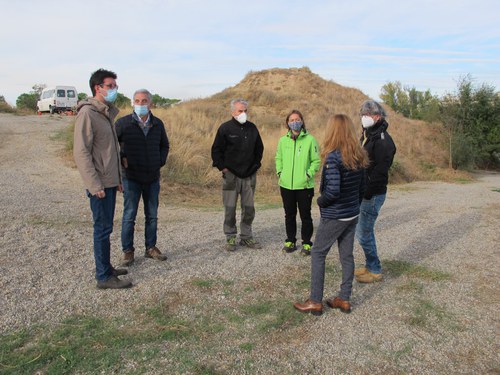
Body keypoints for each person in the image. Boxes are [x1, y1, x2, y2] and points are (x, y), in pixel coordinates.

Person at [294, 114, 368, 315]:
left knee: (318, 253)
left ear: (333, 131)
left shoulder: (334, 157)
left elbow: (333, 191)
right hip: (352, 214)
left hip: (336, 215)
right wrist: (354, 206)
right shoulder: (358, 155)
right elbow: (362, 188)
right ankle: (344, 299)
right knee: (347, 256)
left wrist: (320, 201)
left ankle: (315, 301)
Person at [73, 68, 132, 289]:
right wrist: (94, 184)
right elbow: (81, 152)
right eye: (110, 86)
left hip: (108, 182)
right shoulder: (88, 113)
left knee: (106, 227)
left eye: (115, 85)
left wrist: (116, 179)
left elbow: (109, 150)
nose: (114, 89)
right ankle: (103, 277)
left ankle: (107, 268)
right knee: (102, 229)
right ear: (97, 88)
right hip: (98, 185)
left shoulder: (105, 113)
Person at [115, 89, 170, 267]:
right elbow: (112, 146)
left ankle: (151, 248)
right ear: (133, 103)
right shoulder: (123, 123)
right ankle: (128, 252)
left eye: (144, 101)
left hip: (152, 177)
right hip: (131, 177)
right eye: (137, 101)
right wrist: (122, 156)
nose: (140, 104)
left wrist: (159, 161)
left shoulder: (158, 124)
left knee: (152, 215)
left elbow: (164, 145)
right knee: (129, 215)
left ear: (150, 103)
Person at [211, 99, 264, 251]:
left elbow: (259, 149)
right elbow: (216, 150)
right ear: (233, 112)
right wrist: (223, 168)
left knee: (249, 208)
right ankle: (231, 237)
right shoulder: (225, 128)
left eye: (245, 110)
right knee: (230, 208)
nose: (243, 114)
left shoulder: (252, 128)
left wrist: (255, 166)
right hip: (231, 175)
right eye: (240, 111)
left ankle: (246, 237)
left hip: (249, 175)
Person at [354, 100, 396, 283]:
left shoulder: (383, 141)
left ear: (377, 117)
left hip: (372, 194)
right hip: (364, 191)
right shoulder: (368, 135)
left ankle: (375, 269)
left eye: (367, 115)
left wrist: (366, 193)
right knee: (364, 232)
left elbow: (379, 172)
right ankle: (370, 264)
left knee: (364, 233)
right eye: (362, 115)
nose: (364, 118)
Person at [275, 110, 320, 256]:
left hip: (304, 186)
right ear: (287, 123)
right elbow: (278, 158)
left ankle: (306, 243)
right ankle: (290, 241)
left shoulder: (310, 140)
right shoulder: (283, 141)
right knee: (289, 214)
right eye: (292, 119)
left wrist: (308, 174)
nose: (295, 121)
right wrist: (280, 173)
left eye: (297, 119)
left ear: (302, 121)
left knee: (305, 215)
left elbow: (316, 161)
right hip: (286, 185)